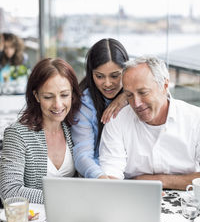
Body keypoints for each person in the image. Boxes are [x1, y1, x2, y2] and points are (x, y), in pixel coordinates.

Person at [99, 56, 200, 190]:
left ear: (164, 86)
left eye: (143, 92)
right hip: (133, 198)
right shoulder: (117, 122)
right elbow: (110, 177)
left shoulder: (195, 119)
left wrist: (160, 181)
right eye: (129, 95)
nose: (136, 103)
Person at [0, 58, 81, 204]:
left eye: (64, 95)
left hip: (72, 219)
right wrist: (66, 197)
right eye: (48, 97)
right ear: (36, 96)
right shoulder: (17, 134)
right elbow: (9, 191)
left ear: (73, 94)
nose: (58, 104)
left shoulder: (75, 129)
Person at [71, 38, 129, 178]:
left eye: (115, 76)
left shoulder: (134, 97)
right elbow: (82, 156)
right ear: (91, 74)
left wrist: (127, 96)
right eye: (99, 76)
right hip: (100, 177)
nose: (107, 84)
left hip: (132, 175)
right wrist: (102, 179)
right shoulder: (84, 104)